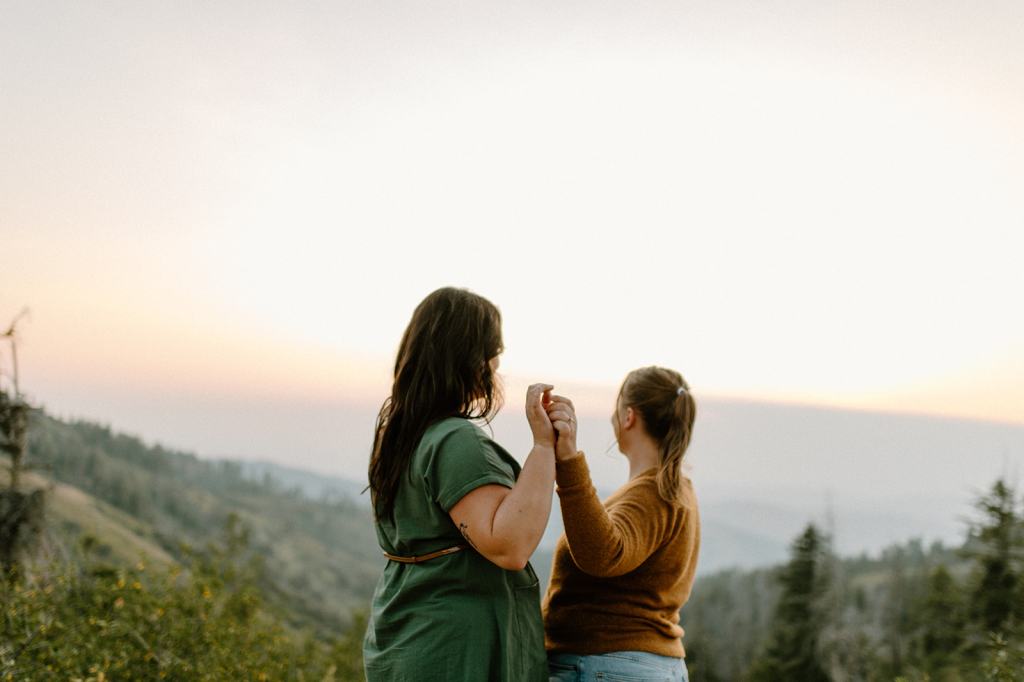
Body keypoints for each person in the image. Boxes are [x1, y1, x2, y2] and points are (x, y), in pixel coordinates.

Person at [362, 287, 555, 682]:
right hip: (455, 653)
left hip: (407, 639)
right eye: (494, 350)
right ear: (472, 357)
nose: (497, 362)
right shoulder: (454, 440)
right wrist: (543, 446)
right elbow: (510, 545)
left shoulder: (398, 435)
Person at [542, 366, 700, 682]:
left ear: (629, 417)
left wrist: (569, 461)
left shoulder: (651, 492)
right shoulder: (674, 489)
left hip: (607, 666)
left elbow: (603, 554)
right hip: (643, 666)